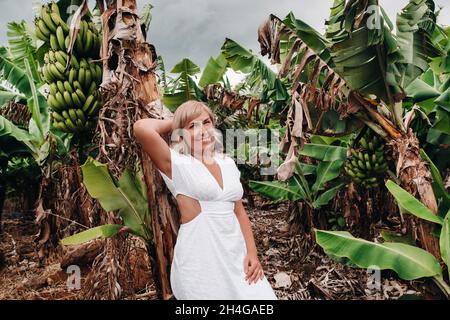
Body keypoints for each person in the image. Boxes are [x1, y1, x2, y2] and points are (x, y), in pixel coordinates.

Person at [133, 100, 277, 300]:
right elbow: (141, 128)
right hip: (201, 266)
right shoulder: (177, 165)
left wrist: (252, 254)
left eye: (206, 122)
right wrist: (176, 121)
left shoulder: (227, 163)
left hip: (237, 257)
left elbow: (239, 212)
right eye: (193, 126)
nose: (203, 130)